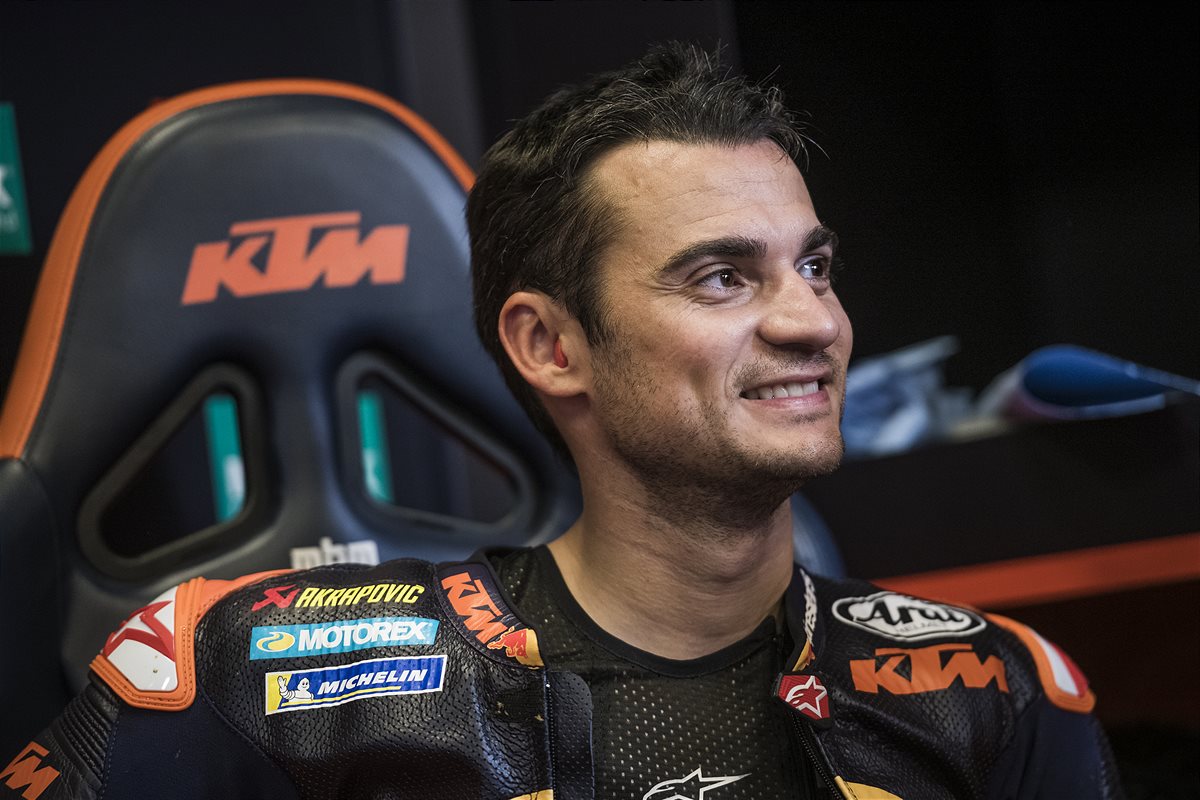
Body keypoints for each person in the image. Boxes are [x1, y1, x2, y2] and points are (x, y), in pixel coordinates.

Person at [3, 42, 1122, 800]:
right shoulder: (246, 675)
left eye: (814, 266)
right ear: (550, 345)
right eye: (723, 278)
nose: (812, 321)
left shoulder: (996, 693)